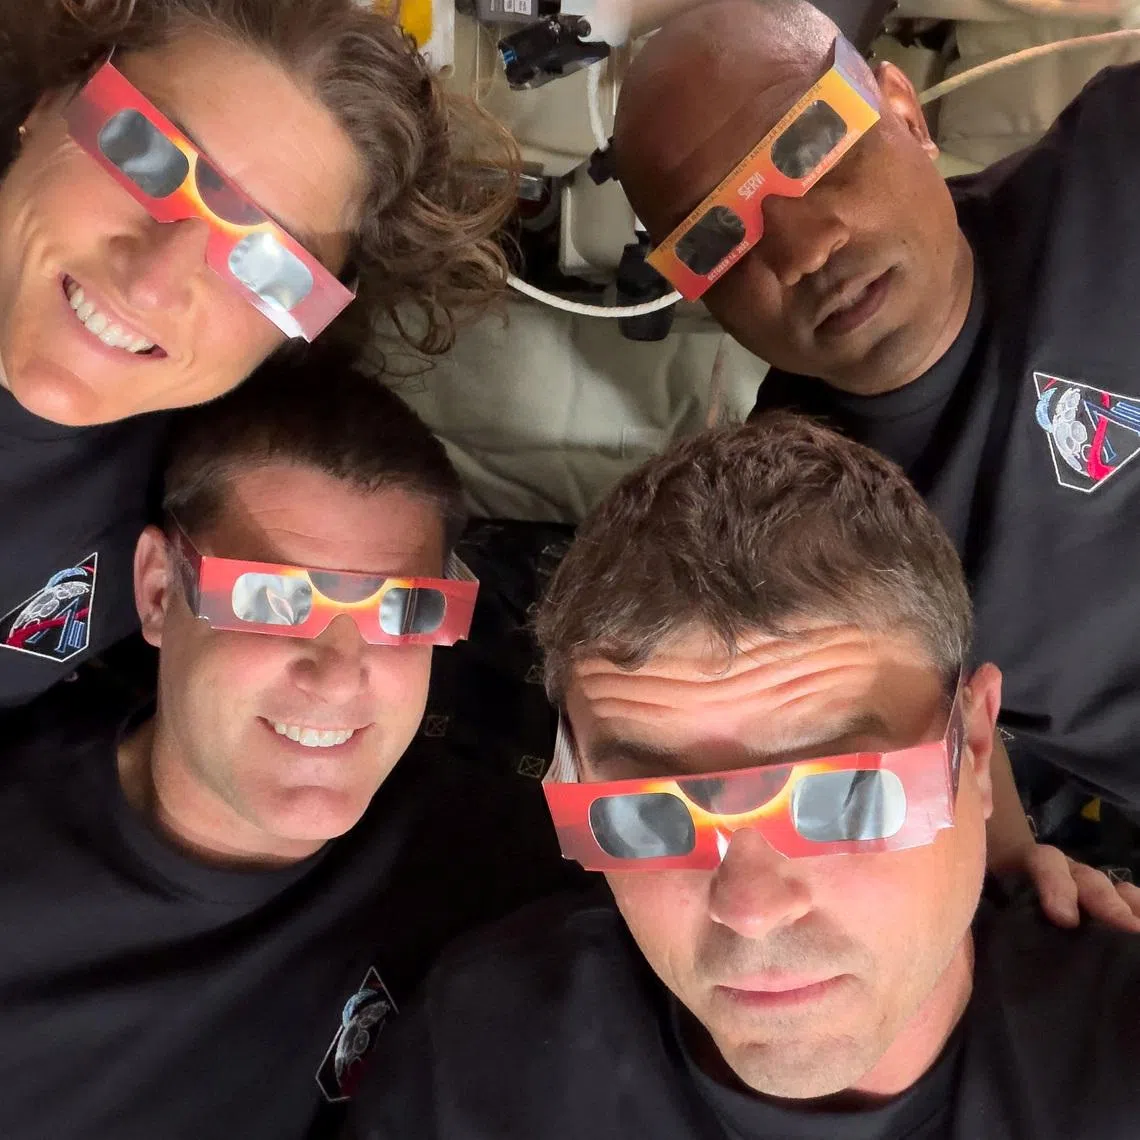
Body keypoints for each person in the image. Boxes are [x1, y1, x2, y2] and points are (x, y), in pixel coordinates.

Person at [346, 414, 1140, 1140]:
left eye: (844, 797)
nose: (751, 910)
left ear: (970, 748)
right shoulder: (484, 1053)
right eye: (649, 814)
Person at [609, 0, 1140, 927]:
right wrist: (1016, 863)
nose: (805, 247)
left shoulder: (1119, 165)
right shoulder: (794, 511)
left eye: (811, 146)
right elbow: (940, 719)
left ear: (901, 109)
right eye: (715, 238)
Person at [0, 347, 575, 1140]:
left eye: (401, 612)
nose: (340, 675)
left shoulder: (512, 874)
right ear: (161, 592)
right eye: (272, 599)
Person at [0, 0, 516, 710]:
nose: (154, 284)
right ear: (51, 100)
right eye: (141, 154)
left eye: (268, 264)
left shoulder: (193, 529)